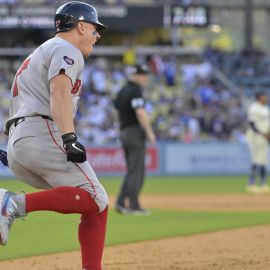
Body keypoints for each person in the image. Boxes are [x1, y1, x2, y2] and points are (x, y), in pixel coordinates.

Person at [0, 2, 109, 270]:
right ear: (81, 26)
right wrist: (69, 137)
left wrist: (12, 147)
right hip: (41, 131)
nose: (97, 36)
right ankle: (11, 203)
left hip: (21, 140)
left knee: (94, 202)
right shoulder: (66, 48)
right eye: (95, 29)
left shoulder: (39, 52)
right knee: (96, 198)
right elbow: (58, 92)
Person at [114, 64, 156, 215]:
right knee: (137, 171)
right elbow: (140, 112)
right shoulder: (135, 90)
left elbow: (116, 112)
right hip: (134, 132)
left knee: (132, 170)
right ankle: (133, 205)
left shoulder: (122, 91)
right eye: (143, 75)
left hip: (124, 131)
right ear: (135, 75)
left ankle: (121, 202)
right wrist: (150, 132)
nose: (145, 78)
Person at [246, 91, 270, 194]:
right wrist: (262, 134)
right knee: (256, 159)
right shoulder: (254, 108)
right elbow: (252, 124)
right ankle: (251, 184)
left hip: (264, 136)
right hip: (255, 136)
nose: (266, 98)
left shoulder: (265, 108)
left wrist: (268, 134)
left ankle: (263, 184)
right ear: (260, 97)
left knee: (263, 159)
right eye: (265, 96)